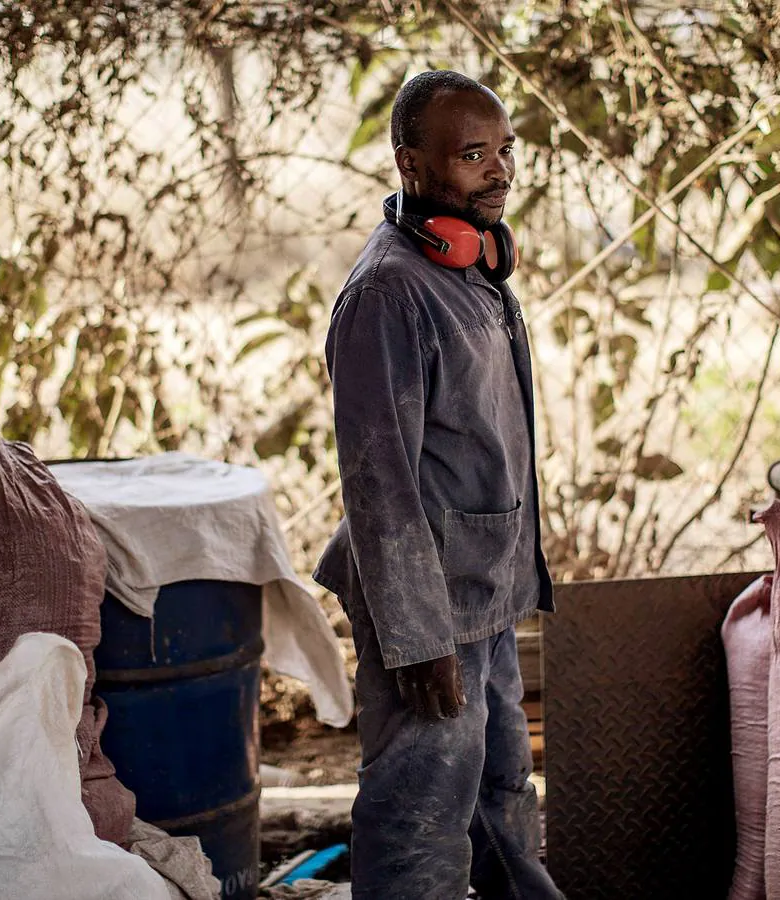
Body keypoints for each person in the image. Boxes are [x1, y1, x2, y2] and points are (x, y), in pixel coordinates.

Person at [312, 70, 564, 900]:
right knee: (420, 814)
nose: (498, 171)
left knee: (498, 795)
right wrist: (419, 640)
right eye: (471, 156)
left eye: (504, 152)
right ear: (411, 166)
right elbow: (378, 486)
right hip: (428, 609)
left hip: (482, 592)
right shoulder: (389, 294)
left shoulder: (468, 268)